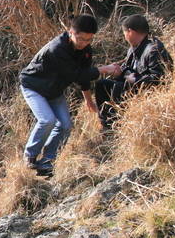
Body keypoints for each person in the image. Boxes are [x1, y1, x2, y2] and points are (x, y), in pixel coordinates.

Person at [19, 15, 121, 176]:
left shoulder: (86, 50)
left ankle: (47, 162)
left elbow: (84, 77)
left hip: (54, 90)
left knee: (66, 125)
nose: (83, 43)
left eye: (88, 40)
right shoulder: (57, 48)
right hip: (34, 87)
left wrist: (88, 100)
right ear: (71, 31)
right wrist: (104, 69)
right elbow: (76, 74)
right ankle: (30, 155)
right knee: (47, 120)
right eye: (80, 39)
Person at [95, 14, 173, 129]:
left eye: (125, 33)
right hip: (132, 88)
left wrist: (136, 80)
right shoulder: (133, 49)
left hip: (146, 93)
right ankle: (106, 125)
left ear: (130, 32)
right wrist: (119, 71)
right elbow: (129, 69)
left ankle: (116, 127)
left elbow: (160, 79)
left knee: (119, 86)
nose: (125, 37)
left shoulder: (154, 50)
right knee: (102, 84)